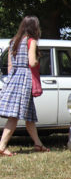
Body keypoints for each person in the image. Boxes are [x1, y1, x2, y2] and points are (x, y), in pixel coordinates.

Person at [0, 16, 49, 155]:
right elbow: (32, 62)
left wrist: (13, 78)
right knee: (14, 116)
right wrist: (39, 60)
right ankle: (2, 146)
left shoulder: (13, 41)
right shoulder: (31, 41)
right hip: (25, 78)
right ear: (34, 27)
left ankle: (38, 144)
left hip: (13, 77)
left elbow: (9, 65)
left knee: (29, 115)